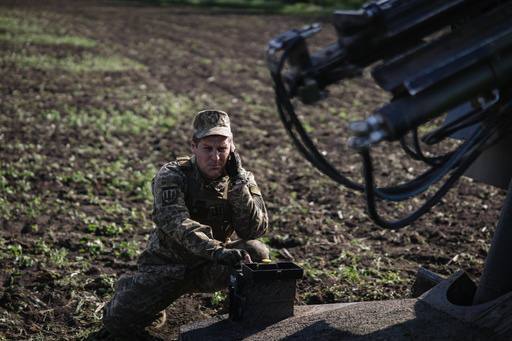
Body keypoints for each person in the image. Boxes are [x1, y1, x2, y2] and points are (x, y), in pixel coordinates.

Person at [101, 110, 270, 338]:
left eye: (222, 149)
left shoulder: (241, 178)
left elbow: (254, 230)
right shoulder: (173, 175)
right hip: (169, 267)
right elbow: (176, 222)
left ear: (232, 149)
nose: (216, 157)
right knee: (116, 321)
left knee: (257, 252)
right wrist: (217, 250)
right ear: (194, 146)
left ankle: (235, 318)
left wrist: (239, 185)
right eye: (208, 149)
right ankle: (134, 291)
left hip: (211, 267)